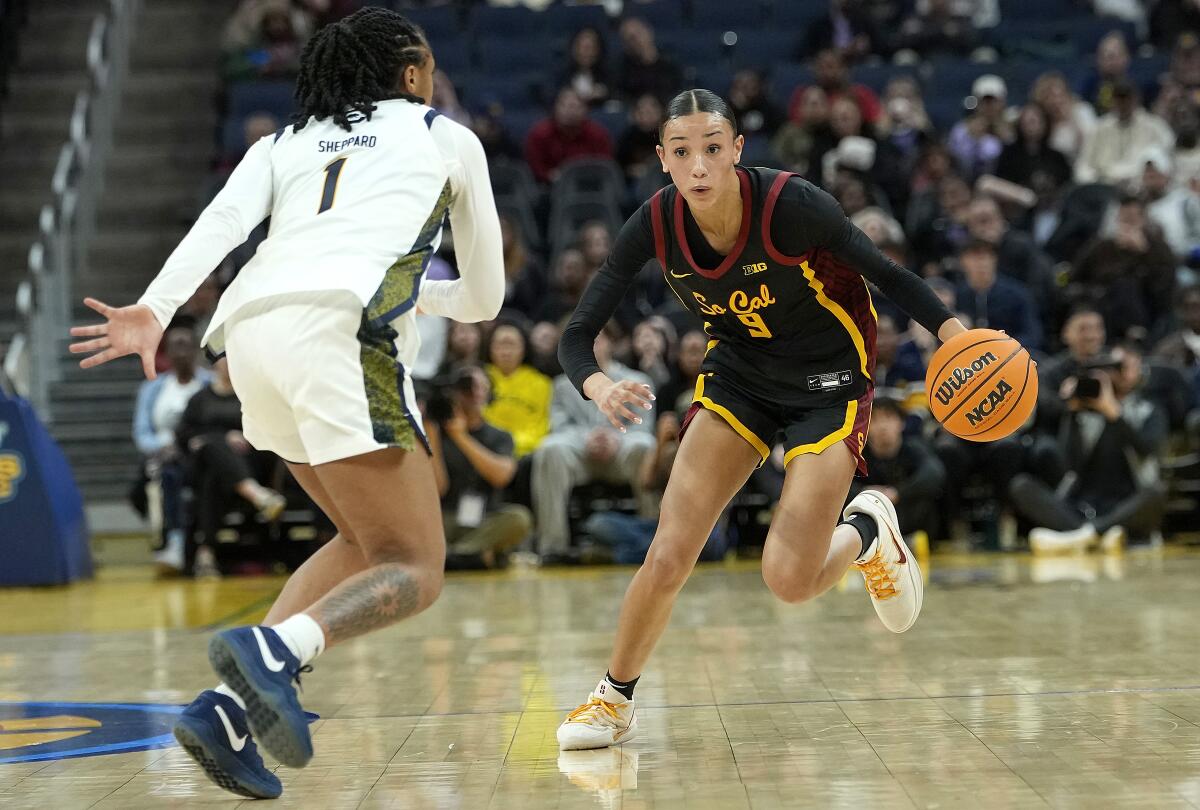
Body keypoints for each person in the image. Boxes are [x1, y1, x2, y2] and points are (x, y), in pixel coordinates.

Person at [69, 9, 504, 799]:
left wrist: (156, 309)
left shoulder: (285, 140)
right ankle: (278, 653)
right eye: (429, 67)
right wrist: (421, 299)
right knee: (416, 565)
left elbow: (224, 222)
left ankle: (228, 712)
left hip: (250, 341)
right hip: (342, 330)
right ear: (412, 75)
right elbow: (484, 297)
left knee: (359, 537)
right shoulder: (446, 134)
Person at [552, 89, 966, 750]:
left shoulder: (791, 207)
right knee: (669, 551)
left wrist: (955, 334)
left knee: (788, 579)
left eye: (713, 149)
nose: (699, 167)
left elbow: (887, 274)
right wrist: (597, 383)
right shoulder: (657, 222)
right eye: (683, 152)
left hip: (829, 378)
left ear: (737, 151)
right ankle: (613, 700)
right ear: (662, 159)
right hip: (741, 373)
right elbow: (576, 336)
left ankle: (867, 530)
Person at [1010, 345, 1169, 553]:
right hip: (1080, 506)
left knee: (1157, 492)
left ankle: (1077, 536)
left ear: (1140, 370)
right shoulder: (1084, 411)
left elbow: (1147, 449)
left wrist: (1112, 412)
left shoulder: (1150, 409)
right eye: (1115, 366)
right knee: (1021, 485)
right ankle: (1096, 535)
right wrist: (1072, 413)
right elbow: (1067, 464)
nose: (1121, 372)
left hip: (1126, 504)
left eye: (1127, 366)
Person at [532, 323, 656, 565]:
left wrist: (615, 438)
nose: (591, 345)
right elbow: (559, 425)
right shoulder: (561, 385)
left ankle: (652, 538)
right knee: (549, 449)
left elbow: (643, 426)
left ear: (611, 342)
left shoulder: (637, 379)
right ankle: (553, 546)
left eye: (597, 339)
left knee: (646, 446)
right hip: (580, 453)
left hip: (623, 452)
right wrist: (587, 438)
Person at [176, 359, 287, 577]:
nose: (227, 364)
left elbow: (269, 428)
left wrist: (245, 436)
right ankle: (258, 496)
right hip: (205, 462)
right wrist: (222, 438)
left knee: (213, 475)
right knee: (212, 448)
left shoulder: (250, 397)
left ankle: (206, 554)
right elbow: (183, 434)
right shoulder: (199, 399)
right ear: (214, 365)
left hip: (249, 461)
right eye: (223, 360)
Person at [426, 367, 532, 569]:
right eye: (467, 387)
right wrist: (432, 433)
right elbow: (438, 487)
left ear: (489, 392)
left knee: (519, 519)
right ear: (454, 392)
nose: (474, 393)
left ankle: (454, 557)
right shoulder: (435, 433)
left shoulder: (500, 436)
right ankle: (474, 556)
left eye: (480, 386)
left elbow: (501, 476)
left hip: (485, 519)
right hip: (444, 517)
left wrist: (460, 436)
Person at [132, 320, 213, 574]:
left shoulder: (210, 384)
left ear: (196, 351)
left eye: (186, 346)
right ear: (165, 353)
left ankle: (194, 544)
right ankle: (174, 541)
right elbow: (142, 432)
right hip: (165, 455)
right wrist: (160, 446)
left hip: (202, 455)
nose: (181, 353)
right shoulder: (152, 388)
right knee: (168, 473)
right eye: (175, 347)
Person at [849, 397, 945, 539]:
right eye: (874, 419)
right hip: (867, 518)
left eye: (888, 418)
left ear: (901, 423)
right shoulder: (855, 455)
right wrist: (866, 492)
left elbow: (934, 473)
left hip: (908, 517)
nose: (882, 426)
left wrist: (897, 493)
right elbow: (833, 485)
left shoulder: (914, 447)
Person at [483, 320, 553, 458]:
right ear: (489, 347)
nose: (506, 352)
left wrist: (513, 444)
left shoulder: (541, 383)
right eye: (500, 345)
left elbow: (543, 426)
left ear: (524, 348)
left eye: (512, 345)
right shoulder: (479, 377)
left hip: (528, 453)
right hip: (485, 451)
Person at [523, 87, 614, 185]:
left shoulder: (598, 134)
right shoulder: (539, 134)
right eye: (564, 106)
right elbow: (535, 168)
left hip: (590, 185)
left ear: (585, 110)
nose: (569, 111)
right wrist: (550, 176)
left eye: (574, 106)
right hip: (550, 187)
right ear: (555, 108)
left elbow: (605, 166)